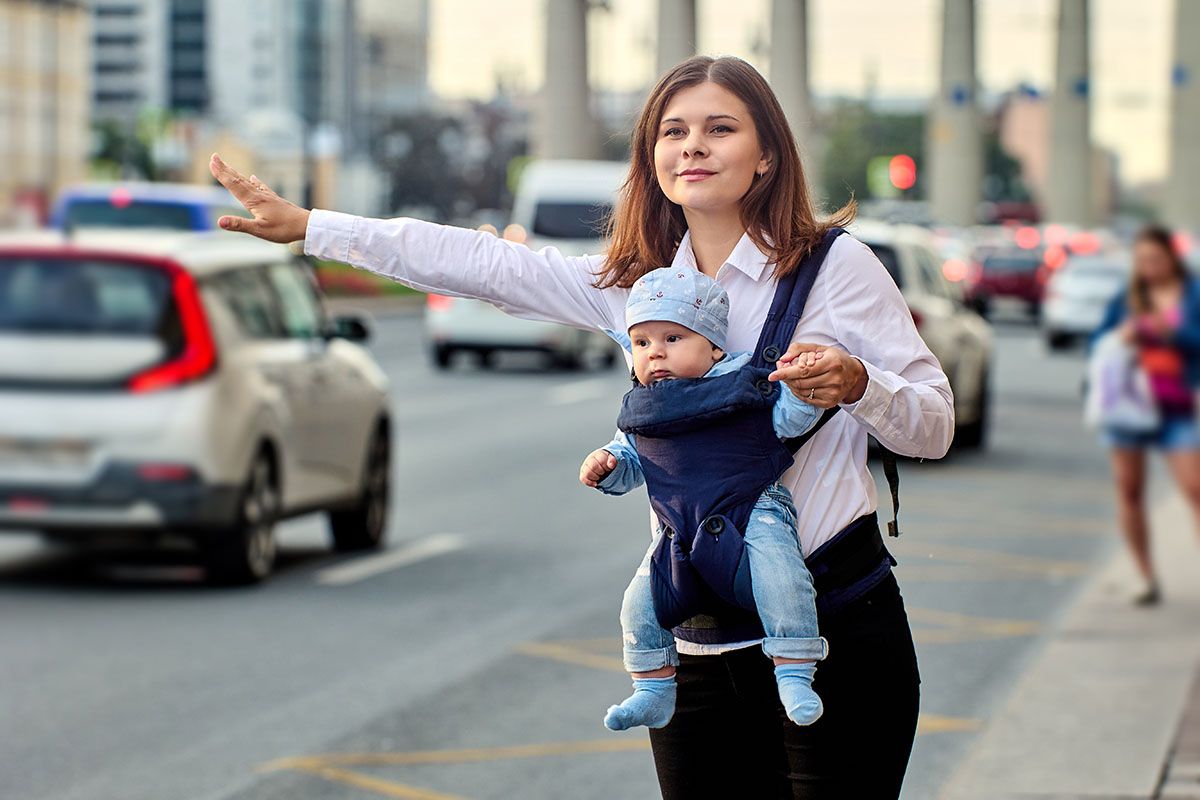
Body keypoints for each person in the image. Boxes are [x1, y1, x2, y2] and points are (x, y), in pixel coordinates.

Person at [210, 55, 953, 799]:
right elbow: (483, 264)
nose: (692, 146)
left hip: (836, 635)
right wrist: (312, 226)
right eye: (673, 131)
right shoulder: (639, 287)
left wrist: (862, 385)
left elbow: (935, 423)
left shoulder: (838, 269)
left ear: (766, 155)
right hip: (695, 643)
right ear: (652, 157)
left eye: (720, 128)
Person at [579, 267, 827, 732]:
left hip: (752, 510)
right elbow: (630, 460)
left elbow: (789, 422)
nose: (655, 353)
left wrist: (801, 389)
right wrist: (606, 466)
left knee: (783, 582)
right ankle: (652, 687)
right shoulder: (643, 406)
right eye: (642, 343)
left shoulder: (742, 383)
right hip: (679, 529)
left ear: (713, 346)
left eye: (672, 338)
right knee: (638, 603)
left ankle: (794, 670)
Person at [1092, 226, 1200, 606]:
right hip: (1129, 403)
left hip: (1178, 403)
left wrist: (1171, 331)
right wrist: (1124, 335)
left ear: (1172, 258)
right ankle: (1145, 576)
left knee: (1195, 487)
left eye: (1155, 259)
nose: (1149, 268)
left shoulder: (1193, 295)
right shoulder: (1127, 299)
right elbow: (1099, 342)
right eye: (1141, 261)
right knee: (1129, 488)